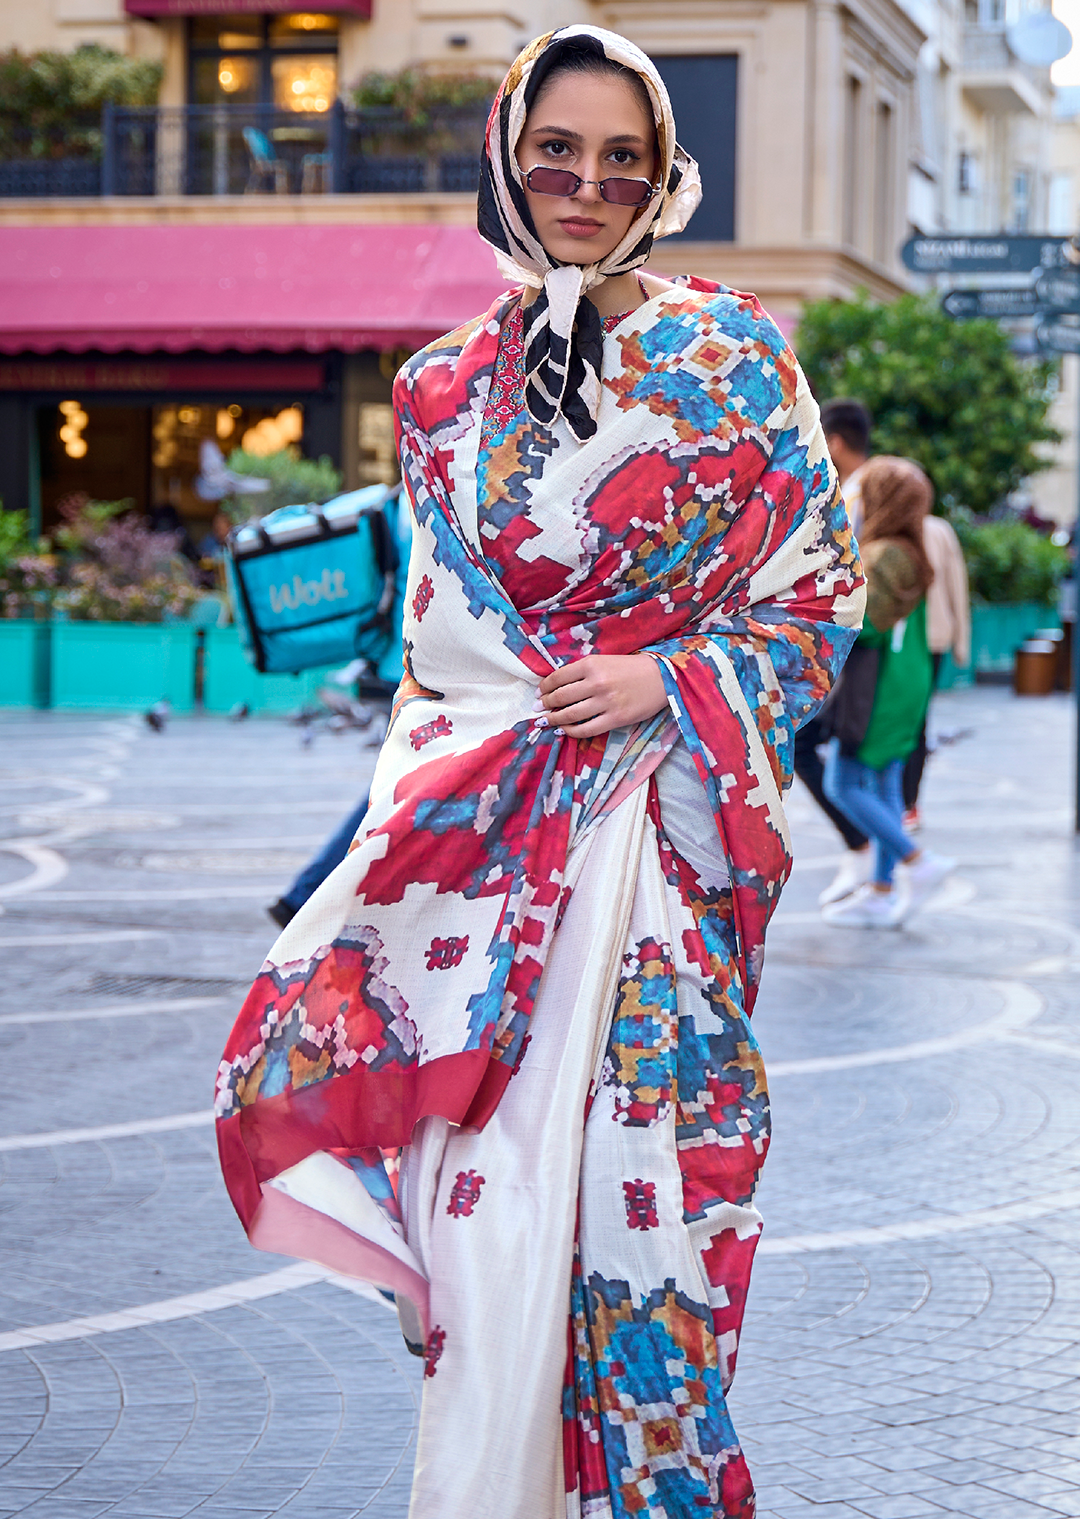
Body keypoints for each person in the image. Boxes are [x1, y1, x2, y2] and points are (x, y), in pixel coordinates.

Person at [215, 26, 863, 1519]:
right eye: (557, 150)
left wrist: (667, 678)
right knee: (486, 1225)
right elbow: (433, 648)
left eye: (621, 156)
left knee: (654, 1223)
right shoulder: (439, 388)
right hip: (487, 877)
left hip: (665, 850)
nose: (586, 181)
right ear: (509, 154)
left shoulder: (738, 353)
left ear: (665, 175)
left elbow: (815, 594)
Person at [821, 457, 955, 928]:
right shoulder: (910, 549)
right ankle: (880, 891)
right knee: (885, 785)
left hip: (878, 689)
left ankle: (916, 862)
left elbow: (863, 628)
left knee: (843, 782)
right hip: (908, 680)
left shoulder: (881, 555)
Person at [798, 398, 874, 905]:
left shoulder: (861, 492)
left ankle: (867, 848)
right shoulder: (867, 485)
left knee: (813, 745)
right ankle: (872, 853)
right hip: (861, 647)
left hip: (853, 648)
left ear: (837, 441)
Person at [902, 512, 971, 825]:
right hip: (892, 641)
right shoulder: (876, 524)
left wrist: (961, 642)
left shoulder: (937, 530)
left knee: (916, 722)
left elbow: (957, 584)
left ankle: (909, 803)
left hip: (930, 640)